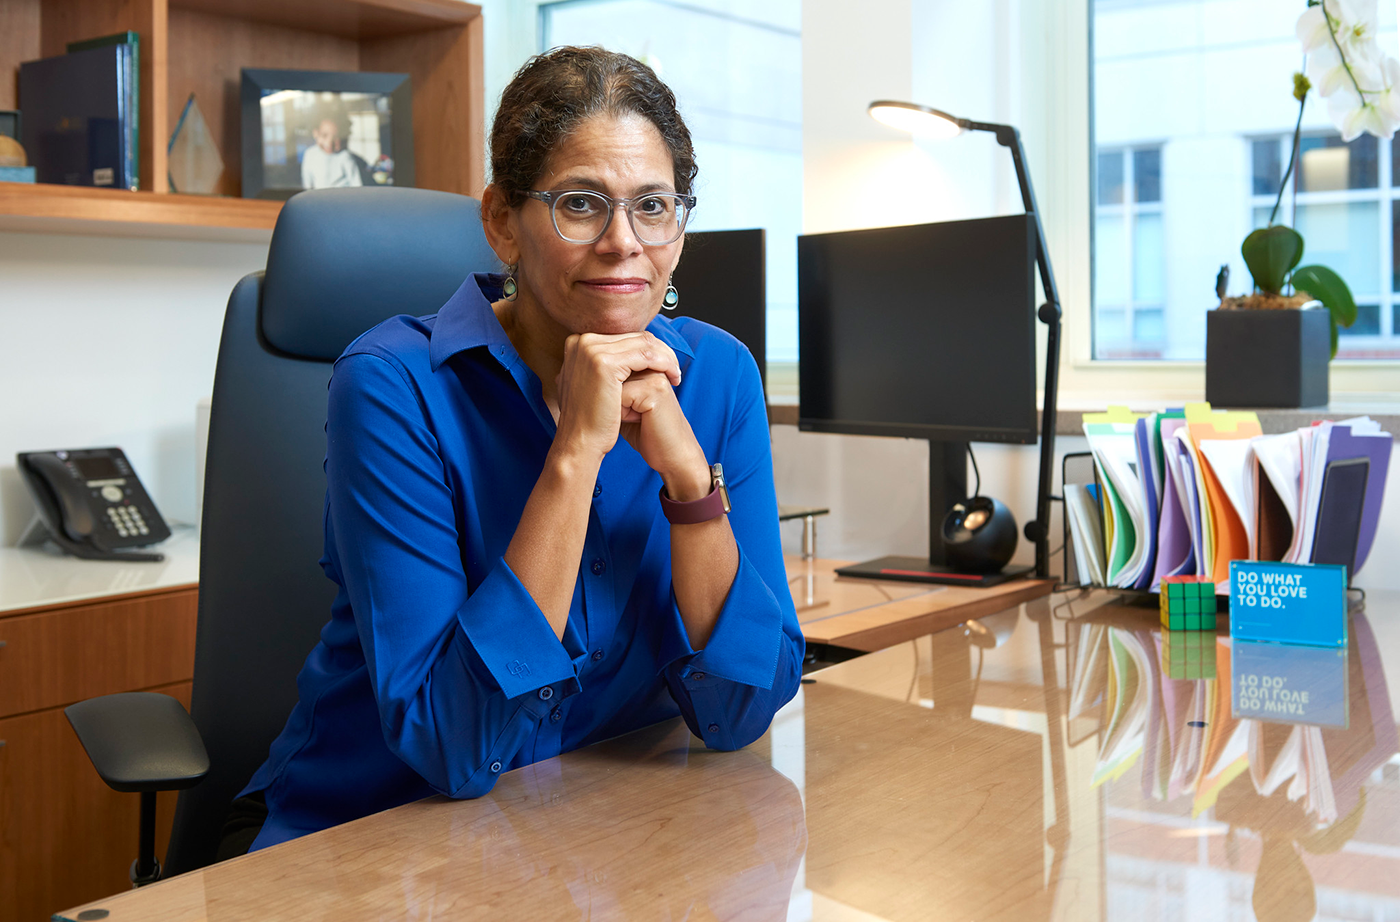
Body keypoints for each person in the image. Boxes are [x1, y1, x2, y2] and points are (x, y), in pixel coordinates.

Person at [224, 46, 805, 854]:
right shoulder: (393, 384)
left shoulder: (719, 379)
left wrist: (686, 484)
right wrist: (574, 459)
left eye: (654, 206)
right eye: (579, 204)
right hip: (376, 838)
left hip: (598, 837)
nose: (622, 243)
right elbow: (452, 750)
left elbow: (743, 712)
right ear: (502, 222)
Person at [300, 115, 363, 189]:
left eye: (335, 137)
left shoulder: (344, 156)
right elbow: (307, 185)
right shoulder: (310, 154)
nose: (329, 143)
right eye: (324, 135)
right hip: (318, 198)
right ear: (315, 134)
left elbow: (357, 184)